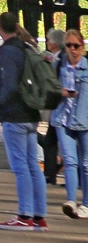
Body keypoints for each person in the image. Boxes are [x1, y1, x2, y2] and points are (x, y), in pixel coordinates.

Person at [0, 12, 48, 230]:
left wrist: (1, 104)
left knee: (21, 167)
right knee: (33, 165)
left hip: (14, 116)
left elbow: (10, 84)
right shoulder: (27, 48)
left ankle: (24, 216)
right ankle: (39, 217)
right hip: (30, 115)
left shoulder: (8, 52)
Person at [58, 29, 88, 218]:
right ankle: (71, 200)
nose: (72, 49)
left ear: (82, 48)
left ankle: (86, 204)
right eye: (68, 45)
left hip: (85, 120)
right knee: (70, 161)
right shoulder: (59, 66)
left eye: (76, 46)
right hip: (63, 119)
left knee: (86, 164)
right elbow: (49, 86)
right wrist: (59, 92)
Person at [42, 29, 67, 184]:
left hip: (61, 107)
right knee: (52, 140)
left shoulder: (62, 59)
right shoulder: (56, 57)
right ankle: (51, 171)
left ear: (54, 43)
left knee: (52, 140)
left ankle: (51, 172)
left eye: (48, 40)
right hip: (58, 108)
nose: (47, 43)